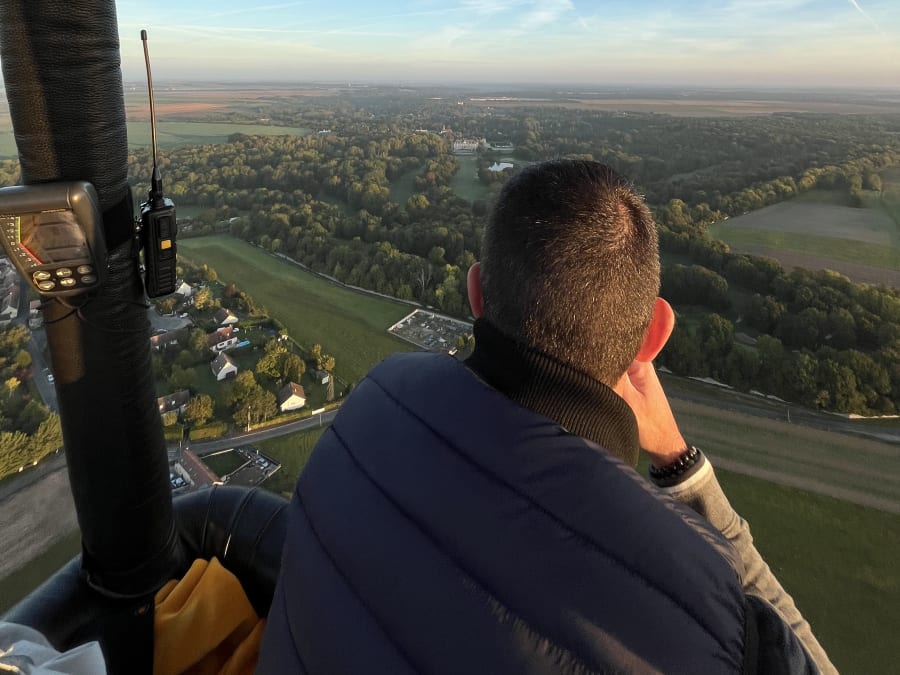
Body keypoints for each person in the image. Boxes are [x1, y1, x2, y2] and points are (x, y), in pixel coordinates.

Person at [258, 160, 835, 674]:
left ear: (476, 295)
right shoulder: (705, 602)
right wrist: (680, 464)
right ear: (654, 336)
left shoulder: (368, 407)